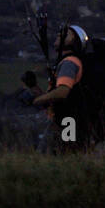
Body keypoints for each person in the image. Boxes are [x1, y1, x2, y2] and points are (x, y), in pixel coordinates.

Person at [24, 24, 91, 152]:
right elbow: (55, 97)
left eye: (67, 34)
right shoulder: (65, 63)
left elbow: (62, 92)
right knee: (55, 157)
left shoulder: (69, 63)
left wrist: (37, 100)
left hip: (68, 120)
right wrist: (34, 88)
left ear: (74, 42)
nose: (60, 34)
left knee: (64, 156)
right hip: (64, 118)